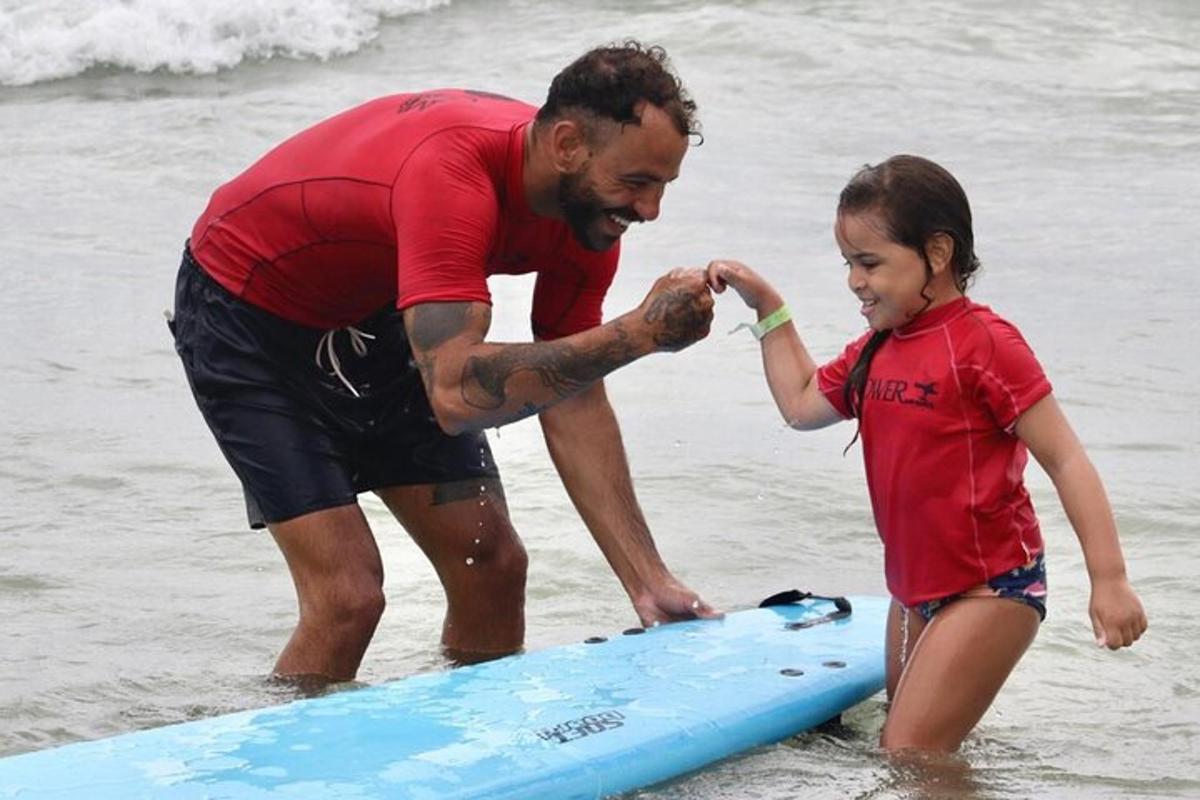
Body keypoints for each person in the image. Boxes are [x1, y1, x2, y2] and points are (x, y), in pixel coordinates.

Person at [168, 42, 720, 683]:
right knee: (349, 597)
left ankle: (469, 754)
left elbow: (574, 392)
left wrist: (647, 581)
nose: (649, 210)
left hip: (377, 312)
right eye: (636, 183)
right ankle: (287, 772)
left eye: (662, 186)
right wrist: (637, 335)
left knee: (492, 564)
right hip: (248, 316)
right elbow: (455, 396)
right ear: (567, 145)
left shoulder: (588, 217)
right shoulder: (454, 177)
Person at [706, 154, 1147, 753]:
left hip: (993, 587)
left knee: (908, 753)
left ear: (937, 254)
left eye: (870, 263)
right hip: (914, 592)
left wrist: (1110, 579)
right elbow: (803, 403)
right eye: (849, 263)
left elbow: (1066, 459)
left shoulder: (986, 344)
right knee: (913, 753)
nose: (854, 280)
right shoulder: (878, 348)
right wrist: (767, 308)